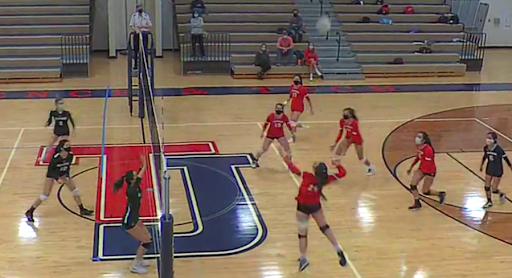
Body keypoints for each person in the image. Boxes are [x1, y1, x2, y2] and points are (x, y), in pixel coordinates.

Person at [281, 152, 348, 272]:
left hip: (302, 207)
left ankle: (303, 258)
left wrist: (287, 160)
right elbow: (343, 174)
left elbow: (294, 169)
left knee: (302, 234)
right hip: (315, 207)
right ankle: (337, 248)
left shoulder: (307, 176)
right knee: (325, 227)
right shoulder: (326, 180)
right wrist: (338, 165)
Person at [25, 140, 93, 222]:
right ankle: (30, 211)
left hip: (63, 173)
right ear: (61, 147)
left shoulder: (70, 155)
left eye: (69, 145)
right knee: (45, 195)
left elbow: (67, 167)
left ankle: (82, 209)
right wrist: (57, 178)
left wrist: (67, 176)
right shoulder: (56, 158)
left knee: (75, 190)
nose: (68, 147)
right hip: (52, 174)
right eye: (66, 145)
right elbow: (51, 171)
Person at [113, 154, 152, 274]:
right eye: (136, 175)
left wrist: (143, 164)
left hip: (135, 217)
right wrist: (144, 163)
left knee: (148, 237)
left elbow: (141, 172)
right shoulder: (131, 189)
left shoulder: (134, 185)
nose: (138, 175)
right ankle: (135, 265)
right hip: (129, 221)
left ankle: (140, 260)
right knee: (146, 241)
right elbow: (142, 172)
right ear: (132, 180)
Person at [406, 131, 446, 210]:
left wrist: (420, 172)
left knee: (425, 191)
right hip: (422, 169)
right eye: (417, 136)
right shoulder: (418, 147)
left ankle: (440, 194)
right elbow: (418, 157)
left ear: (424, 140)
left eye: (419, 137)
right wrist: (411, 167)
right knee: (413, 185)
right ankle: (417, 202)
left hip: (430, 171)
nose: (417, 138)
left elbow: (428, 164)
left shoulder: (428, 150)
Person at [330, 108, 375, 175]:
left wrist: (345, 150)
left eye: (347, 121)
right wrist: (335, 143)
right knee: (336, 155)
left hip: (357, 140)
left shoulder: (354, 123)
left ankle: (371, 167)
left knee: (361, 158)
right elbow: (341, 132)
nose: (346, 122)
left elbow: (353, 137)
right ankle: (338, 169)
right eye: (345, 120)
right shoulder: (342, 121)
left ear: (351, 118)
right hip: (348, 137)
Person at [479, 131, 511, 208]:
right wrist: (481, 165)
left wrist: (511, 167)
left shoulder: (499, 149)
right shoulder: (486, 148)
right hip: (489, 168)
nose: (487, 140)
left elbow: (506, 159)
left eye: (490, 138)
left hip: (498, 170)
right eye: (487, 138)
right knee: (487, 186)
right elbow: (485, 156)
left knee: (494, 189)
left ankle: (501, 194)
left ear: (494, 140)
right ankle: (489, 201)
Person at [129, 4, 152, 70]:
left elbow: (150, 25)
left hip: (144, 34)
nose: (140, 9)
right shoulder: (134, 16)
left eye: (141, 7)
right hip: (137, 34)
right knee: (136, 50)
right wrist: (136, 30)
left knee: (145, 49)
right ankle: (136, 64)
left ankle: (146, 65)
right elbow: (131, 25)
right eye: (139, 8)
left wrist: (143, 27)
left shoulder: (146, 16)